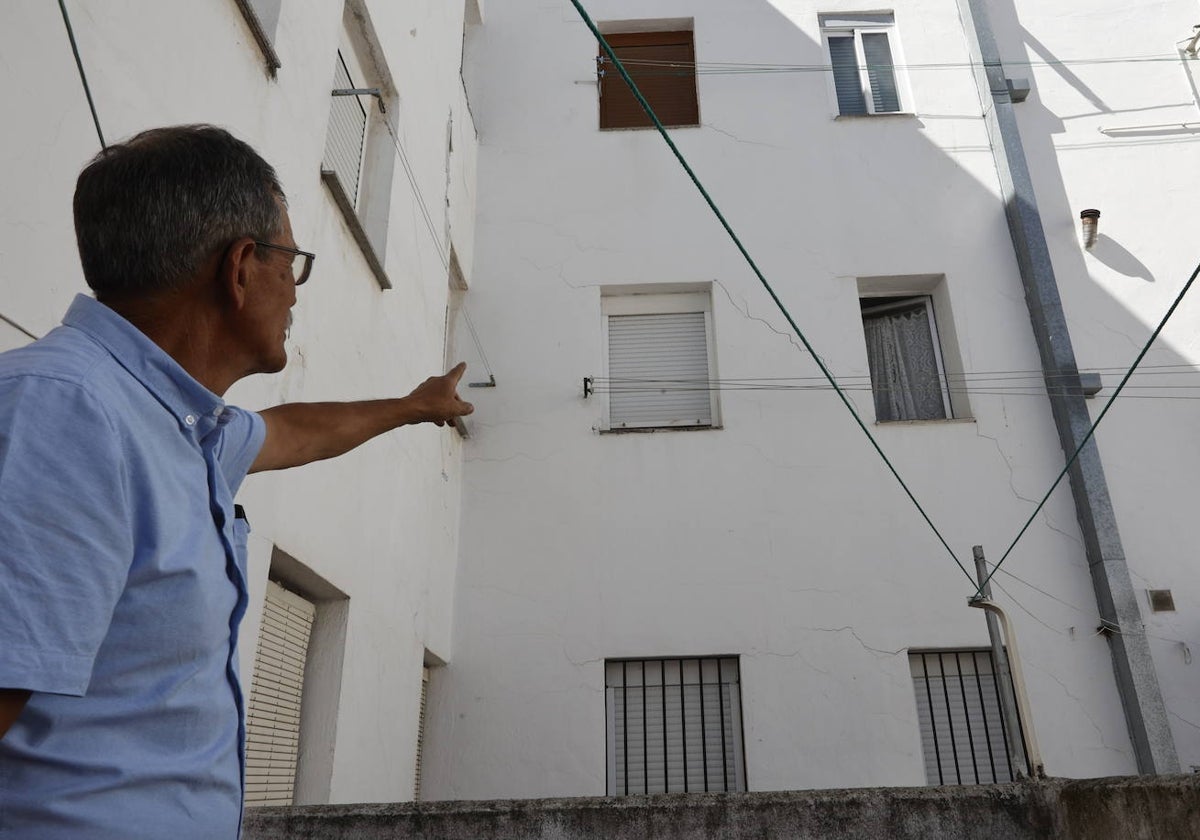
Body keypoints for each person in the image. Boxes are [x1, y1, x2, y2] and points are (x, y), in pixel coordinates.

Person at [0, 125, 473, 839]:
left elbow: (294, 432)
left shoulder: (179, 426)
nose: (294, 291)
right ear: (243, 267)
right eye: (292, 261)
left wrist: (415, 406)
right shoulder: (67, 411)